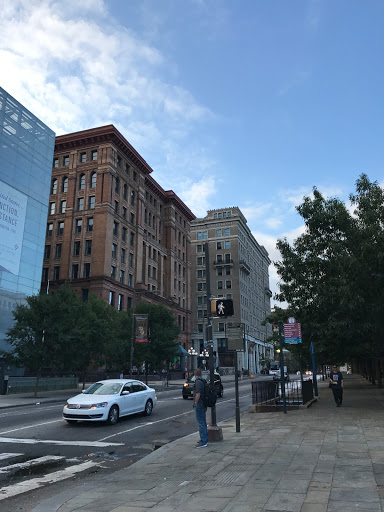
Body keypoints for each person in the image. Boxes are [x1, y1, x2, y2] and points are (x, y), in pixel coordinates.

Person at [193, 368, 208, 448]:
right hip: (204, 403)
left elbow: (198, 393)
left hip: (200, 404)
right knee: (203, 422)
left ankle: (203, 441)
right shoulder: (203, 380)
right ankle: (204, 439)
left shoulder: (198, 381)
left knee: (201, 423)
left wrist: (195, 402)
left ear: (195, 375)